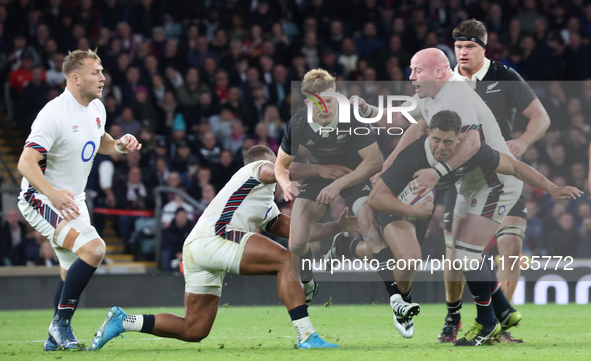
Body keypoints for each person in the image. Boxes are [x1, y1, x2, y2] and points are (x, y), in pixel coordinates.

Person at [336, 111, 582, 345]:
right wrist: (414, 211)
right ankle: (408, 305)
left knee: (396, 258)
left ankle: (348, 246)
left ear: (460, 140)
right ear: (428, 134)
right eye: (436, 140)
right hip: (392, 206)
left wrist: (553, 189)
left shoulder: (471, 153)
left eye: (448, 142)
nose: (441, 147)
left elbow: (516, 167)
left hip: (420, 211)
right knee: (409, 260)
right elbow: (377, 198)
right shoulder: (413, 155)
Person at [91, 145, 359, 350]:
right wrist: (316, 171)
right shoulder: (255, 170)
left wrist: (340, 225)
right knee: (287, 261)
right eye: (276, 163)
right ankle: (306, 335)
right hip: (216, 238)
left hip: (197, 248)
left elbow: (301, 233)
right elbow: (274, 169)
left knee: (194, 329)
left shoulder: (261, 201)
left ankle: (125, 321)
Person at [16, 49, 141, 351]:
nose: (103, 77)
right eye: (95, 72)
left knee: (70, 269)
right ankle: (60, 325)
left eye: (101, 71)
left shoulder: (97, 107)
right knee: (95, 249)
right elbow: (25, 162)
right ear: (75, 78)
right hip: (41, 197)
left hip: (73, 200)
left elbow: (99, 142)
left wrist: (120, 146)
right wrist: (52, 192)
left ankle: (53, 337)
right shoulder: (53, 113)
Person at [437, 19, 551, 343]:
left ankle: (501, 322)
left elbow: (541, 117)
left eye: (469, 46)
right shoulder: (448, 82)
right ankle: (453, 315)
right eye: (458, 46)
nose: (462, 52)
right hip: (463, 178)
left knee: (511, 245)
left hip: (503, 172)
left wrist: (524, 142)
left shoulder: (504, 76)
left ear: (483, 48)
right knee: (454, 251)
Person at [274, 69, 382, 306]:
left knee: (375, 241)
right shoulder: (299, 123)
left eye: (330, 100)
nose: (326, 108)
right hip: (320, 173)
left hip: (354, 174)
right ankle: (311, 276)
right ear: (307, 102)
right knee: (297, 244)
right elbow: (280, 166)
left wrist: (338, 184)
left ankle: (349, 249)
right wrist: (287, 183)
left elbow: (374, 162)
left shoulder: (351, 116)